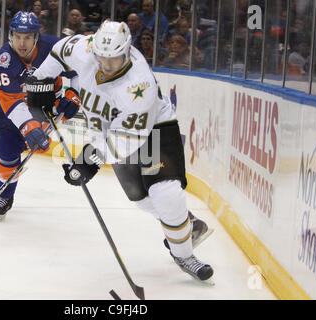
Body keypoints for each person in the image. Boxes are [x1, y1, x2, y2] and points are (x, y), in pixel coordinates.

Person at [31, 20, 213, 281]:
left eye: (114, 59)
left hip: (152, 131)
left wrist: (90, 160)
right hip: (109, 133)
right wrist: (41, 79)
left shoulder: (138, 86)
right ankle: (187, 224)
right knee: (140, 199)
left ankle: (184, 254)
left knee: (165, 192)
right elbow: (60, 50)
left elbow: (127, 141)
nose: (106, 66)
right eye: (102, 58)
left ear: (127, 51)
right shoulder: (86, 49)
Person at [0, 11, 80, 221]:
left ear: (36, 37)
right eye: (17, 36)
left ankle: (5, 195)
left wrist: (75, 93)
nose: (21, 43)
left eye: (27, 37)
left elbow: (81, 69)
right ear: (11, 36)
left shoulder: (54, 48)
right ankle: (8, 175)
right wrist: (28, 126)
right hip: (8, 104)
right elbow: (10, 101)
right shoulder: (4, 59)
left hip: (41, 105)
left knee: (8, 147)